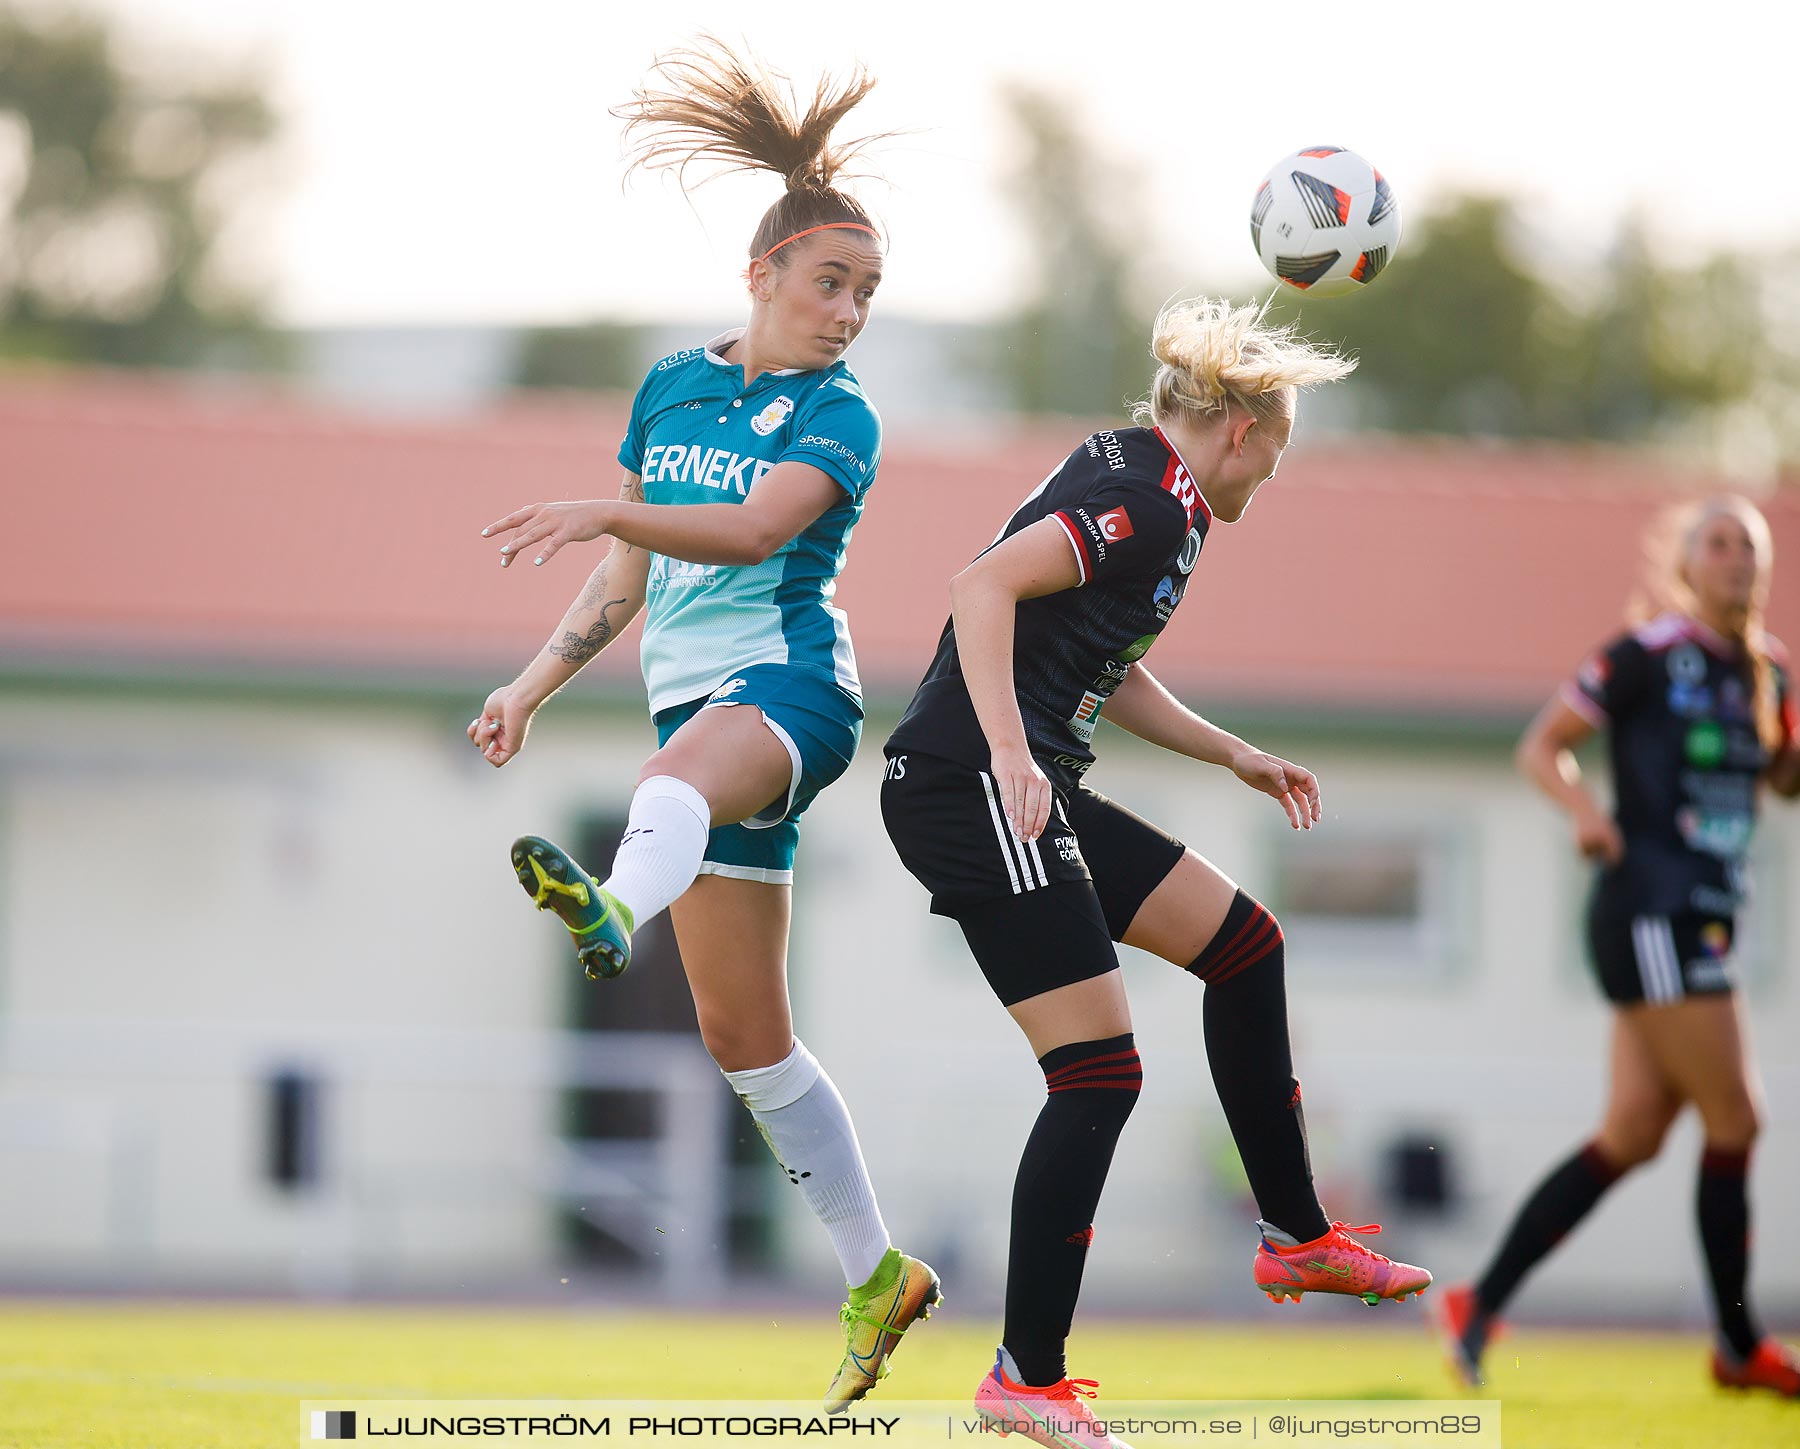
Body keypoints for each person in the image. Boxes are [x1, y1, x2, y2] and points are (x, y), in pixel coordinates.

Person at [469, 41, 938, 1409]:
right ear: (762, 274)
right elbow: (631, 581)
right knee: (744, 1036)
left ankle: (616, 913)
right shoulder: (673, 384)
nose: (849, 310)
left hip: (792, 695)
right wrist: (529, 683)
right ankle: (877, 1272)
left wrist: (608, 506)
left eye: (868, 292)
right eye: (829, 282)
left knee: (668, 779)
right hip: (701, 711)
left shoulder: (841, 416)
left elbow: (742, 534)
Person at [880, 298, 1431, 1443]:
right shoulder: (1144, 498)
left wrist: (1230, 749)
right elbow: (978, 585)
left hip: (1021, 780)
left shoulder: (1151, 490)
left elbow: (1104, 664)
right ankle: (1023, 1382)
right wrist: (1010, 752)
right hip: (968, 784)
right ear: (1240, 429)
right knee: (1099, 1075)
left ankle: (1295, 1236)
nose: (1264, 485)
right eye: (1271, 461)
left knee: (1247, 947)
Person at [1436, 496, 1800, 1398]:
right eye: (1718, 544)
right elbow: (1543, 747)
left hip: (1707, 913)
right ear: (1684, 563)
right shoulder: (1644, 656)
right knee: (1738, 1119)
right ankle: (1737, 1343)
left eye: (1749, 547)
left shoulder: (1768, 672)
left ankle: (1477, 1302)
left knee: (1633, 1134)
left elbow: (1784, 782)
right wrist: (1588, 812)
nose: (1737, 560)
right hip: (1652, 910)